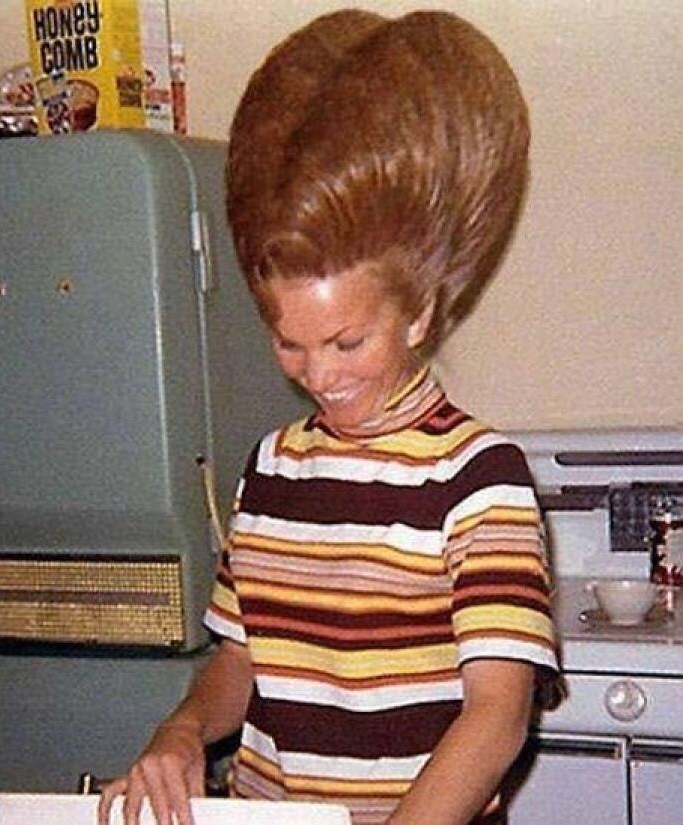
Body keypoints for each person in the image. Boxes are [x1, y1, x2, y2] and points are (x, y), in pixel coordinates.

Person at [98, 9, 559, 825]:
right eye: (291, 344)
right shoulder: (272, 468)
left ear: (417, 314)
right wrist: (181, 731)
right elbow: (244, 660)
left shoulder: (477, 478)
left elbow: (497, 714)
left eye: (348, 340)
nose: (321, 376)